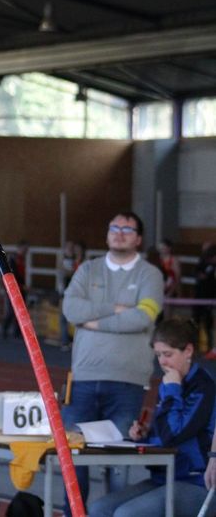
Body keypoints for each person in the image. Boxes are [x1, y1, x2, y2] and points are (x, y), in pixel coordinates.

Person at [61, 211, 165, 516]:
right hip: (83, 380)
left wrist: (93, 320)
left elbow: (143, 318)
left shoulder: (150, 275)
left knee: (118, 465)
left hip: (127, 383)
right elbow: (71, 309)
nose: (119, 233)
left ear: (139, 238)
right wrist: (116, 308)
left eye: (127, 229)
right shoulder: (87, 269)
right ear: (107, 233)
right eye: (114, 227)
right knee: (73, 460)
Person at [88, 317, 215, 517]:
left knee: (127, 514)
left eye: (168, 354)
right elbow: (165, 431)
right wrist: (146, 434)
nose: (162, 362)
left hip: (196, 480)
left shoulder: (203, 386)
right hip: (164, 477)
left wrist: (172, 390)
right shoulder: (171, 382)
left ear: (188, 351)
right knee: (99, 508)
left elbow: (173, 435)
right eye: (158, 355)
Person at [57, 240, 85, 351]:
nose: (72, 250)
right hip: (66, 292)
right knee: (63, 318)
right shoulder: (66, 260)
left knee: (77, 318)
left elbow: (75, 275)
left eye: (73, 248)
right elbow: (63, 274)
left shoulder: (81, 263)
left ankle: (76, 341)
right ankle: (65, 341)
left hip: (76, 293)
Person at [2, 241, 28, 340]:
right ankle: (5, 329)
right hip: (13, 288)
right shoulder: (13, 259)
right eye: (25, 249)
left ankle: (17, 332)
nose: (26, 251)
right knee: (11, 310)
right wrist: (21, 284)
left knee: (21, 310)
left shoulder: (22, 259)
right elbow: (14, 274)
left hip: (21, 287)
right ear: (20, 248)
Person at [194, 243, 216, 359]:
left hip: (210, 298)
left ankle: (210, 348)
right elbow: (196, 274)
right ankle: (195, 347)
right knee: (195, 322)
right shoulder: (202, 262)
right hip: (199, 297)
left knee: (208, 324)